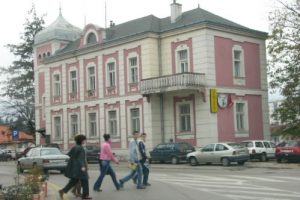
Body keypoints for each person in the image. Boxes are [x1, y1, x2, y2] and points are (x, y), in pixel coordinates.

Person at [59, 134, 92, 200]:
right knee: (85, 180)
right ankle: (85, 195)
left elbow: (69, 154)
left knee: (74, 181)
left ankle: (62, 191)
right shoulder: (81, 148)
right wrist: (83, 166)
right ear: (81, 140)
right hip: (80, 168)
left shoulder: (75, 147)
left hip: (75, 168)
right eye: (84, 140)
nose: (85, 141)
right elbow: (81, 158)